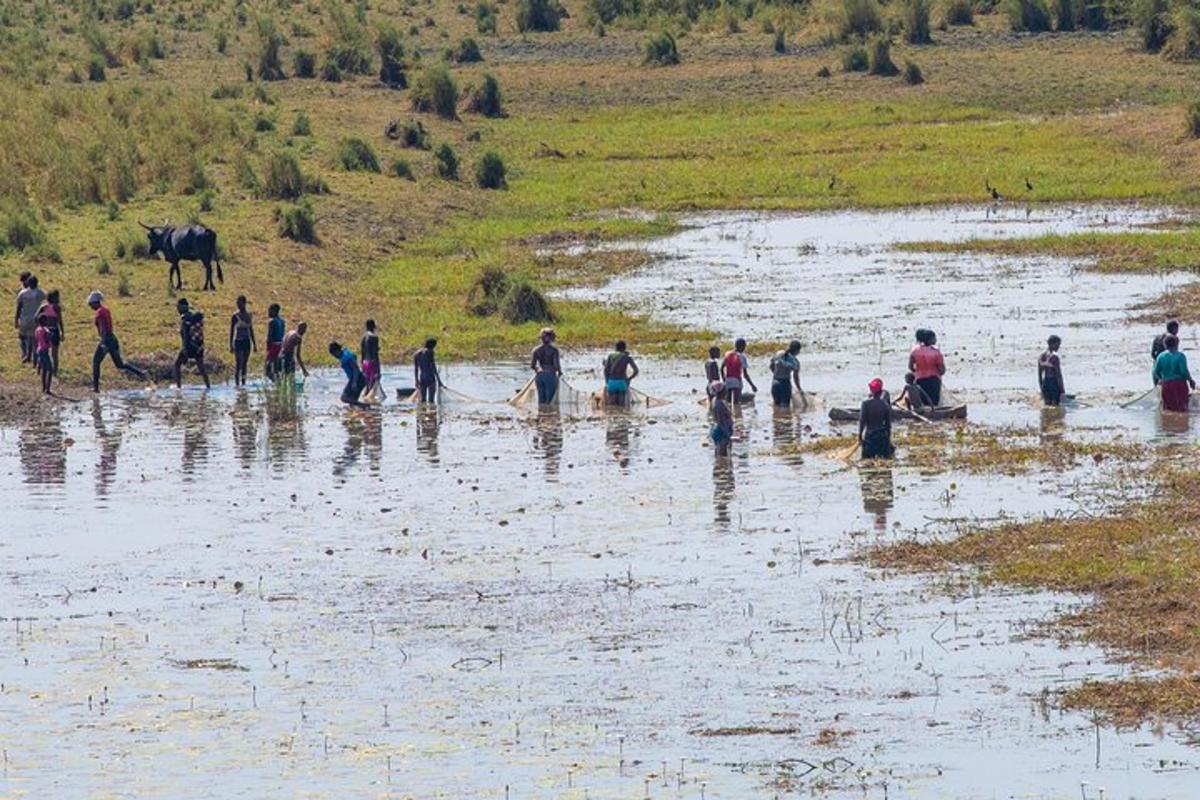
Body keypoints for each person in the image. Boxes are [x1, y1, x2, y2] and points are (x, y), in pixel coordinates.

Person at [88, 291, 147, 392]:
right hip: (112, 339)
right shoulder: (106, 310)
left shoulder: (99, 313)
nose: (90, 307)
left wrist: (102, 343)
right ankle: (141, 373)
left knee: (96, 362)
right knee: (120, 364)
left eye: (90, 304)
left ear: (95, 302)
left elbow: (102, 328)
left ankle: (96, 388)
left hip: (106, 340)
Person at [173, 299, 211, 390]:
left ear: (182, 307)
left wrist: (185, 350)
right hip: (198, 346)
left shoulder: (184, 318)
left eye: (178, 307)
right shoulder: (193, 316)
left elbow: (185, 335)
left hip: (189, 345)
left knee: (177, 364)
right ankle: (208, 386)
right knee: (201, 368)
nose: (177, 309)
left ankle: (179, 387)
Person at [1153, 334, 1195, 412]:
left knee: (1168, 407)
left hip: (1166, 384)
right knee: (1182, 407)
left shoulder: (1161, 356)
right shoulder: (1180, 356)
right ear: (1177, 344)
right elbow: (1184, 371)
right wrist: (1190, 381)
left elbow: (1156, 371)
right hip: (1179, 384)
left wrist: (1162, 379)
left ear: (1165, 345)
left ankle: (1168, 423)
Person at [908, 328, 946, 407]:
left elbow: (910, 367)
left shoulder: (914, 351)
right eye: (934, 338)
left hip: (920, 380)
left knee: (923, 402)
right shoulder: (936, 352)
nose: (935, 339)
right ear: (929, 340)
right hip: (934, 380)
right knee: (934, 403)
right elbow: (942, 370)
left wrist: (917, 371)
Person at [859, 378, 894, 459]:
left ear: (871, 391)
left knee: (866, 463)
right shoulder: (885, 405)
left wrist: (860, 435)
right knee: (885, 463)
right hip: (882, 436)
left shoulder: (866, 404)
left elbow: (862, 421)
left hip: (870, 436)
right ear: (881, 391)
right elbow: (888, 425)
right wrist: (888, 439)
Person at [15, 274, 45, 365]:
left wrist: (16, 319)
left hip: (24, 318)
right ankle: (35, 358)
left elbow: (19, 308)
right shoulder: (40, 292)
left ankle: (26, 355)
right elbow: (45, 302)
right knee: (34, 339)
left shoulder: (22, 293)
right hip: (35, 318)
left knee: (23, 337)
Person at [228, 295, 256, 387]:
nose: (238, 305)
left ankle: (243, 384)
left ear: (244, 303)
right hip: (238, 341)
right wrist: (231, 344)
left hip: (247, 341)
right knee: (238, 364)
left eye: (239, 303)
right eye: (237, 303)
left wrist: (254, 344)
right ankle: (237, 385)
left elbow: (251, 330)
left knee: (244, 364)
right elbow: (231, 330)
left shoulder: (249, 315)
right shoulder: (235, 316)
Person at [330, 341, 367, 407]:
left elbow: (355, 369)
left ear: (337, 350)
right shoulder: (346, 353)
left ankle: (365, 405)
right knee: (352, 401)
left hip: (357, 378)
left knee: (344, 398)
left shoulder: (346, 356)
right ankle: (359, 412)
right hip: (359, 378)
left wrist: (354, 382)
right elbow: (354, 357)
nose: (335, 356)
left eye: (334, 354)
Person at [721, 338, 757, 404]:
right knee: (736, 403)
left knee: (728, 402)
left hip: (728, 380)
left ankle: (728, 413)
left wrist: (724, 379)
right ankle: (737, 414)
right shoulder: (742, 357)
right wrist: (752, 385)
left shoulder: (727, 354)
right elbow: (745, 374)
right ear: (743, 347)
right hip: (737, 381)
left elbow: (722, 368)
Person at [768, 340, 804, 407]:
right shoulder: (795, 362)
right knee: (784, 408)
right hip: (785, 385)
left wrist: (776, 374)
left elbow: (771, 366)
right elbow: (795, 377)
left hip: (775, 383)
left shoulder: (779, 353)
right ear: (797, 351)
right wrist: (799, 389)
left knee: (776, 407)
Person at [530, 327, 561, 405]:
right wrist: (560, 372)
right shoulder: (554, 350)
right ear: (552, 338)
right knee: (549, 401)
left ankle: (541, 414)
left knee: (541, 400)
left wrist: (539, 370)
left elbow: (532, 366)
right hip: (550, 376)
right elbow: (556, 366)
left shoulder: (536, 350)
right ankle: (548, 415)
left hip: (539, 376)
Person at [603, 340, 639, 406]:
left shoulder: (610, 356)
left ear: (616, 348)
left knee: (612, 406)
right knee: (622, 406)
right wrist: (629, 379)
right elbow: (636, 371)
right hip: (622, 383)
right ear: (624, 348)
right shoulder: (627, 358)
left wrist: (607, 382)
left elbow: (605, 371)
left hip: (611, 383)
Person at [37, 290, 63, 375]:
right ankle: (54, 371)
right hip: (54, 330)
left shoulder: (43, 306)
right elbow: (60, 321)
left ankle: (40, 369)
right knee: (54, 353)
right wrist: (62, 331)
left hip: (44, 330)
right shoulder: (56, 307)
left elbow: (36, 317)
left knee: (43, 350)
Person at [1038, 335, 1065, 407]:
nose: (1058, 347)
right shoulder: (1055, 358)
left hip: (1045, 383)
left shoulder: (1041, 356)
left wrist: (1041, 388)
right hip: (1054, 384)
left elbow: (1039, 374)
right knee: (1055, 407)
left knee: (1047, 406)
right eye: (1058, 344)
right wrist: (1062, 391)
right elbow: (1059, 375)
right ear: (1052, 344)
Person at [414, 338, 443, 402]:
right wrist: (439, 381)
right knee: (431, 400)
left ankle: (423, 411)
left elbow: (416, 369)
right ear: (432, 346)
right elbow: (433, 366)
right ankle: (432, 411)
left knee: (423, 400)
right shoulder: (430, 352)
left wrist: (416, 380)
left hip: (422, 378)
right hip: (430, 378)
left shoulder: (416, 354)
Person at [709, 381, 733, 457]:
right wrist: (727, 433)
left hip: (716, 428)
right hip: (721, 431)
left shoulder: (714, 401)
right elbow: (721, 420)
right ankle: (722, 467)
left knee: (718, 452)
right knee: (723, 454)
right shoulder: (720, 404)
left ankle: (718, 467)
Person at [360, 319, 382, 399]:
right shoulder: (374, 337)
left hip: (365, 362)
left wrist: (362, 365)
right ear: (373, 327)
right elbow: (375, 354)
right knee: (372, 385)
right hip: (372, 363)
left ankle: (365, 399)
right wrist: (378, 370)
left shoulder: (363, 337)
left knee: (366, 384)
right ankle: (369, 404)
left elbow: (362, 352)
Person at [265, 303, 285, 380]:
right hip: (281, 345)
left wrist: (268, 349)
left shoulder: (272, 321)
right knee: (276, 368)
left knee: (267, 369)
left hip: (273, 346)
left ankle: (276, 383)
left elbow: (269, 336)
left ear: (274, 311)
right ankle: (279, 383)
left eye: (269, 311)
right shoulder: (282, 321)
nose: (268, 312)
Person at [34, 314, 53, 395]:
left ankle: (44, 387)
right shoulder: (45, 330)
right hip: (44, 350)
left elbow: (36, 341)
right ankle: (47, 389)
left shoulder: (37, 330)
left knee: (44, 369)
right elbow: (47, 339)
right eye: (46, 320)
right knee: (50, 369)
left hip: (39, 350)